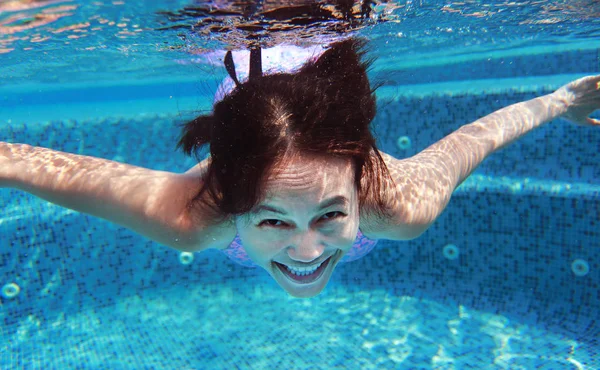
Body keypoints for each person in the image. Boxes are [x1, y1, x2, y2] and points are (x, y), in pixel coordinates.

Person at [1, 39, 599, 298]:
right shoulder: (197, 213)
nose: (307, 252)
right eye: (271, 222)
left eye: (332, 213)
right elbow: (49, 168)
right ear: (233, 202)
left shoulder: (398, 199)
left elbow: (477, 140)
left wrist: (563, 102)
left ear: (361, 189)